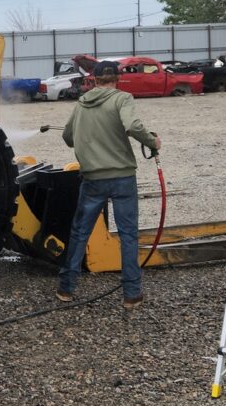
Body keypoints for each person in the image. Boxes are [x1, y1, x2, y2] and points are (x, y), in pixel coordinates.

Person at [58, 59, 161, 307]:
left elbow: (67, 137)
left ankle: (66, 289)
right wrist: (152, 142)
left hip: (92, 178)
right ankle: (131, 294)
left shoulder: (82, 104)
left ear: (93, 79)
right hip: (122, 177)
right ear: (118, 79)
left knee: (79, 233)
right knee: (128, 235)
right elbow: (133, 125)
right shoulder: (122, 99)